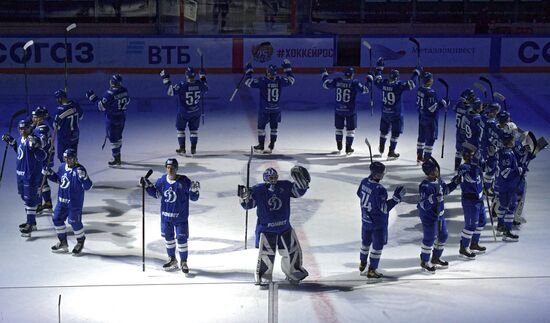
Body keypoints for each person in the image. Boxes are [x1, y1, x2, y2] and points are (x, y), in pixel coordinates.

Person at [239, 166, 310, 285]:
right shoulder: (258, 190)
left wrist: (302, 184)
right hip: (267, 230)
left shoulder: (284, 186)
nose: (273, 180)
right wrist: (244, 198)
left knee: (292, 251)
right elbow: (249, 205)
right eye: (271, 177)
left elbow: (297, 192)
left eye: (275, 177)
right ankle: (264, 274)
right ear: (265, 178)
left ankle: (293, 270)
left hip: (284, 228)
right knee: (267, 254)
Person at [142, 158, 200, 274]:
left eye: (172, 168)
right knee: (168, 239)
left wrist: (194, 191)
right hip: (166, 217)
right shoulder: (162, 180)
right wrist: (147, 186)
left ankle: (183, 262)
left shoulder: (184, 181)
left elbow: (193, 198)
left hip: (180, 218)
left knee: (182, 240)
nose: (170, 170)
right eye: (168, 168)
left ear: (176, 168)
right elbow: (157, 194)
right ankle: (172, 259)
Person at [357, 161, 405, 279]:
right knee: (377, 246)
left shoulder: (363, 181)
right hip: (378, 223)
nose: (383, 175)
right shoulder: (380, 189)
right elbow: (384, 209)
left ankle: (362, 262)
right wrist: (396, 198)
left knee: (365, 242)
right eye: (382, 173)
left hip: (365, 219)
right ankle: (372, 270)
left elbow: (359, 194)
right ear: (377, 175)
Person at [43, 148, 93, 254]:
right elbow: (58, 179)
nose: (68, 160)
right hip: (62, 202)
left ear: (75, 158)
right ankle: (63, 242)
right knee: (56, 219)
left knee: (74, 222)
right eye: (66, 158)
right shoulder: (62, 167)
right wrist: (49, 173)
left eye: (70, 158)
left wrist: (84, 177)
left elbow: (88, 186)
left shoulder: (80, 169)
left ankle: (80, 241)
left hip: (74, 204)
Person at [2, 119, 46, 237]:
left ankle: (30, 223)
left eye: (25, 128)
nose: (22, 130)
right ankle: (32, 220)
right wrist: (11, 141)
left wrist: (35, 148)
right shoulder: (20, 139)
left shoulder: (33, 140)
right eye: (20, 128)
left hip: (30, 174)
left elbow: (42, 156)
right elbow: (20, 151)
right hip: (20, 174)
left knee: (29, 199)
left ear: (29, 128)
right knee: (24, 196)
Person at [417, 158, 461, 272]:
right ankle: (425, 261)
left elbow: (445, 190)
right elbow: (423, 204)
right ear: (430, 172)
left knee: (443, 236)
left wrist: (454, 183)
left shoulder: (438, 180)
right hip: (429, 217)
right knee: (429, 238)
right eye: (435, 170)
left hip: (440, 215)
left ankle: (436, 258)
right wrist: (432, 199)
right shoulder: (425, 186)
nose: (438, 171)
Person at [373, 57, 420, 160]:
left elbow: (377, 80)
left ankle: (381, 147)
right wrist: (416, 73)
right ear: (397, 78)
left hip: (385, 113)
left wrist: (379, 69)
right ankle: (391, 151)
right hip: (396, 114)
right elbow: (412, 85)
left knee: (383, 131)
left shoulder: (384, 83)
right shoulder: (399, 85)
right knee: (395, 133)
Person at [245, 60, 295, 154]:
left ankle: (261, 145)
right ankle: (272, 144)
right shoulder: (280, 80)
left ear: (267, 72)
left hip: (264, 109)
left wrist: (249, 71)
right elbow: (291, 80)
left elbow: (248, 82)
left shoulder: (262, 81)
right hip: (276, 109)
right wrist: (287, 68)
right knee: (274, 128)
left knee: (261, 128)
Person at [160, 67, 208, 156]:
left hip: (184, 112)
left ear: (186, 75)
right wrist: (202, 76)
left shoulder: (182, 85)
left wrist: (165, 78)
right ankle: (193, 149)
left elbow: (170, 91)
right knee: (194, 130)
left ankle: (182, 148)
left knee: (180, 130)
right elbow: (206, 88)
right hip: (196, 111)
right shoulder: (199, 84)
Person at [321, 67, 370, 155]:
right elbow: (365, 90)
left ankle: (339, 145)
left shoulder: (337, 81)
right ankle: (348, 147)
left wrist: (324, 74)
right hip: (350, 111)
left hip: (338, 109)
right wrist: (369, 79)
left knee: (338, 128)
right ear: (352, 74)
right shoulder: (354, 82)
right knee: (350, 130)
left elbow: (326, 84)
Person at [86, 74, 130, 167]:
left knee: (113, 139)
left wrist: (92, 98)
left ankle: (116, 158)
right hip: (122, 116)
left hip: (112, 118)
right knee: (119, 137)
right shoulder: (125, 90)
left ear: (112, 82)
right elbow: (128, 101)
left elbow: (101, 107)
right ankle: (118, 156)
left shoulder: (109, 93)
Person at [456, 143, 487, 260]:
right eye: (473, 155)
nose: (475, 156)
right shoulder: (464, 168)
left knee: (482, 222)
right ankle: (463, 248)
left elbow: (485, 169)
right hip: (470, 200)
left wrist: (485, 159)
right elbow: (473, 178)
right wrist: (475, 164)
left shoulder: (476, 166)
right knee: (470, 225)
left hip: (479, 199)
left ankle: (474, 243)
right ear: (467, 156)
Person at [495, 133, 522, 241]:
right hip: (508, 185)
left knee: (503, 206)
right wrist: (519, 170)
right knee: (511, 206)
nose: (514, 141)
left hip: (503, 185)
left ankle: (500, 225)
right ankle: (507, 231)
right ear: (509, 142)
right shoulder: (507, 154)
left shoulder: (503, 152)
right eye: (512, 139)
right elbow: (506, 173)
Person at [416, 71, 447, 163]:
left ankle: (419, 155)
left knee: (421, 137)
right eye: (432, 78)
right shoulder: (430, 92)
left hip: (422, 117)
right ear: (429, 81)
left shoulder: (420, 89)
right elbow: (432, 108)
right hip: (430, 120)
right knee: (430, 139)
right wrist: (443, 103)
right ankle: (427, 159)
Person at [31, 107, 54, 214]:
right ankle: (48, 203)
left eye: (35, 117)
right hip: (44, 159)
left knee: (38, 183)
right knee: (42, 182)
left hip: (43, 160)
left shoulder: (41, 129)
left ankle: (39, 205)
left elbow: (43, 142)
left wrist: (34, 142)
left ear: (40, 119)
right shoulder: (39, 127)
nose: (33, 118)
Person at [53, 89, 83, 163]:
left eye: (57, 98)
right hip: (75, 136)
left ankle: (67, 172)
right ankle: (75, 170)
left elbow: (56, 126)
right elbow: (81, 116)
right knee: (73, 155)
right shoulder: (75, 104)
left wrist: (48, 118)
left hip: (64, 138)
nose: (57, 100)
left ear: (60, 98)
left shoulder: (60, 110)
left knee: (62, 156)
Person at [453, 89, 476, 170]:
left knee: (458, 150)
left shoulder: (459, 105)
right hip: (467, 133)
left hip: (459, 131)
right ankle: (469, 169)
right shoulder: (470, 108)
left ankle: (456, 168)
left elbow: (454, 108)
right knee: (469, 151)